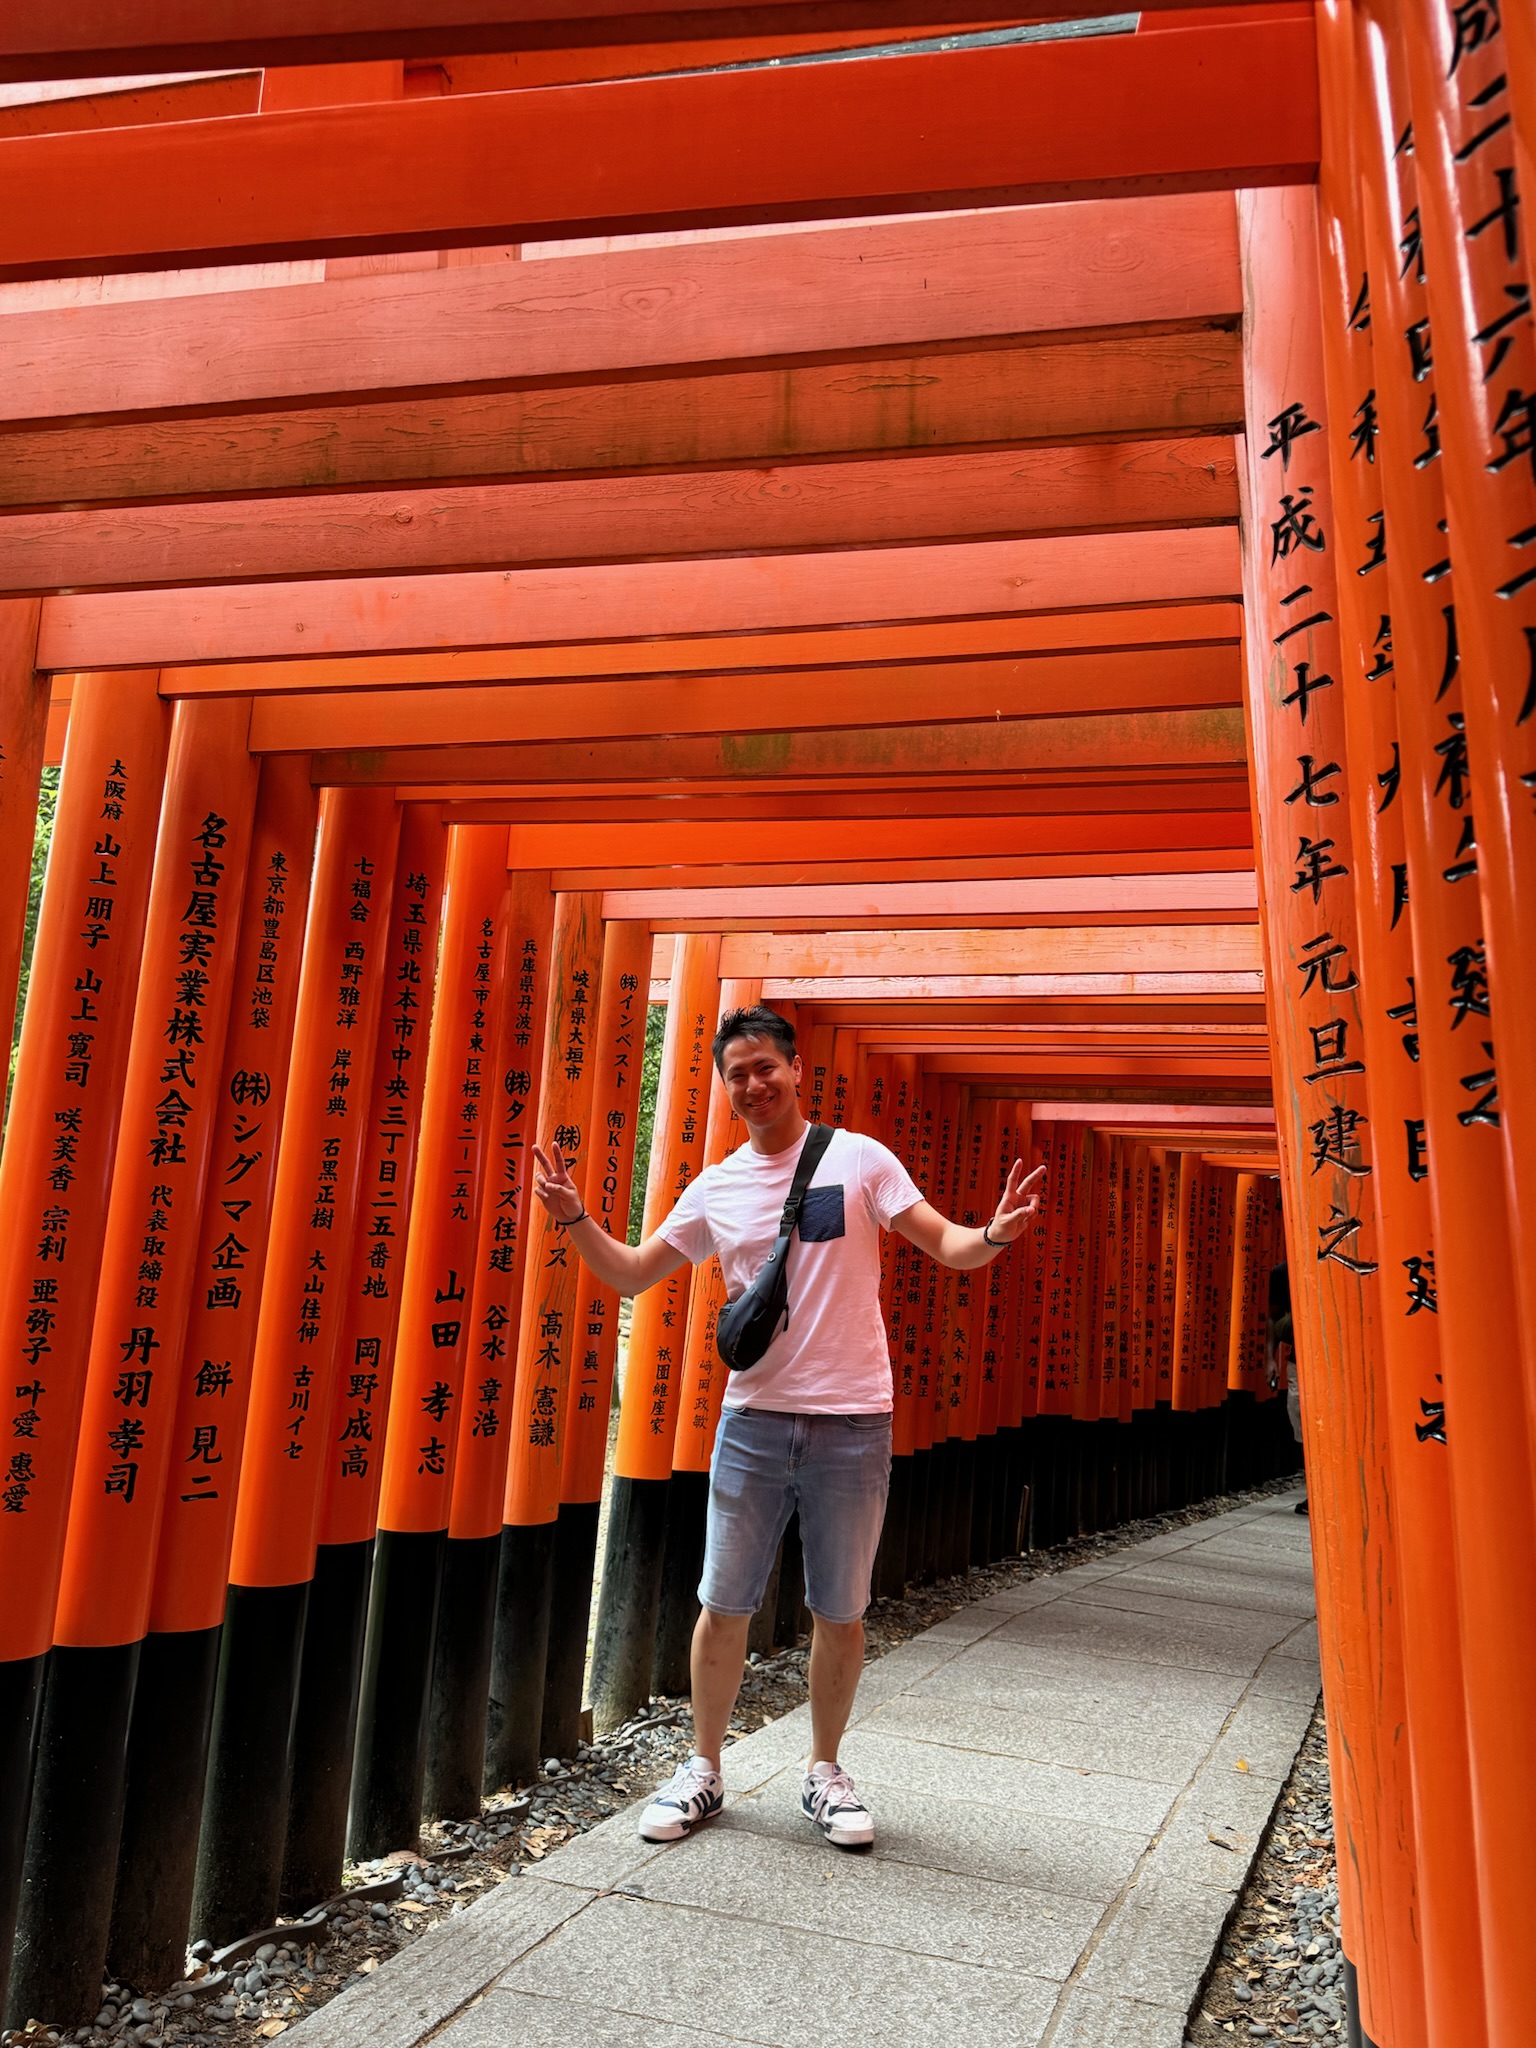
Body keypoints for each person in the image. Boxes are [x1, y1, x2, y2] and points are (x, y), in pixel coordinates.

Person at [531, 1004, 1045, 1852]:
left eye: (765, 1066)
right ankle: (703, 1769)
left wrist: (992, 1232)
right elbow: (628, 1276)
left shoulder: (861, 1160)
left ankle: (824, 1771)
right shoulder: (719, 1185)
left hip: (852, 1420)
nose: (753, 1084)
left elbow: (947, 1245)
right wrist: (575, 1217)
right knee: (722, 1601)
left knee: (839, 1609)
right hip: (754, 1423)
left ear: (797, 1069)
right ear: (728, 1091)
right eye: (737, 1075)